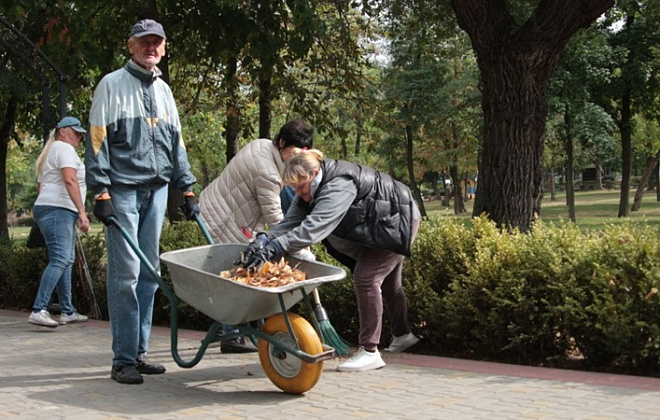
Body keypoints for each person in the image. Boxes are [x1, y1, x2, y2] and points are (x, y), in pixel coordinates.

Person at [85, 19, 199, 385]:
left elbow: (176, 142)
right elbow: (97, 140)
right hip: (122, 190)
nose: (151, 47)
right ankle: (122, 359)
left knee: (149, 274)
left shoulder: (164, 90)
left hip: (158, 190)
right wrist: (100, 192)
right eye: (143, 41)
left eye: (157, 42)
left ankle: (139, 352)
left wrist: (188, 187)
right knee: (126, 275)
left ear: (163, 48)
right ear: (130, 46)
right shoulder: (111, 85)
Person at [241, 149, 421, 372]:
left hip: (396, 220)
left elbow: (314, 228)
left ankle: (369, 351)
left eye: (301, 186)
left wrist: (277, 247)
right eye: (294, 188)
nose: (299, 192)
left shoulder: (338, 185)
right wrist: (264, 239)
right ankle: (403, 335)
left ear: (315, 172)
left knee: (366, 278)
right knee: (389, 283)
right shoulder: (309, 188)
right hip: (386, 218)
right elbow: (290, 223)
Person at [198, 118, 314, 353]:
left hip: (220, 209)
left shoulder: (263, 146)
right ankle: (231, 334)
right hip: (222, 220)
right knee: (236, 275)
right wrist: (301, 249)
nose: (296, 159)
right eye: (294, 152)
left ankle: (227, 329)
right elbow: (275, 218)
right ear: (282, 142)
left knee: (240, 272)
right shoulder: (267, 172)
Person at [28, 116, 90, 328]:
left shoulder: (51, 151)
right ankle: (39, 309)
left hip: (54, 209)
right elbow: (69, 179)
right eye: (76, 132)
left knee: (66, 259)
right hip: (59, 210)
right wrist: (82, 212)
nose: (79, 137)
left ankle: (67, 311)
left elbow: (40, 186)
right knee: (60, 259)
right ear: (63, 131)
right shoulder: (64, 149)